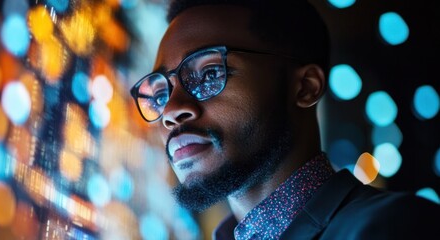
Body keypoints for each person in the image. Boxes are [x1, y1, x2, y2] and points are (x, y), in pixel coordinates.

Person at [130, 0, 440, 239]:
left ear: (305, 87)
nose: (170, 111)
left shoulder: (394, 228)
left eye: (209, 74)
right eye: (159, 95)